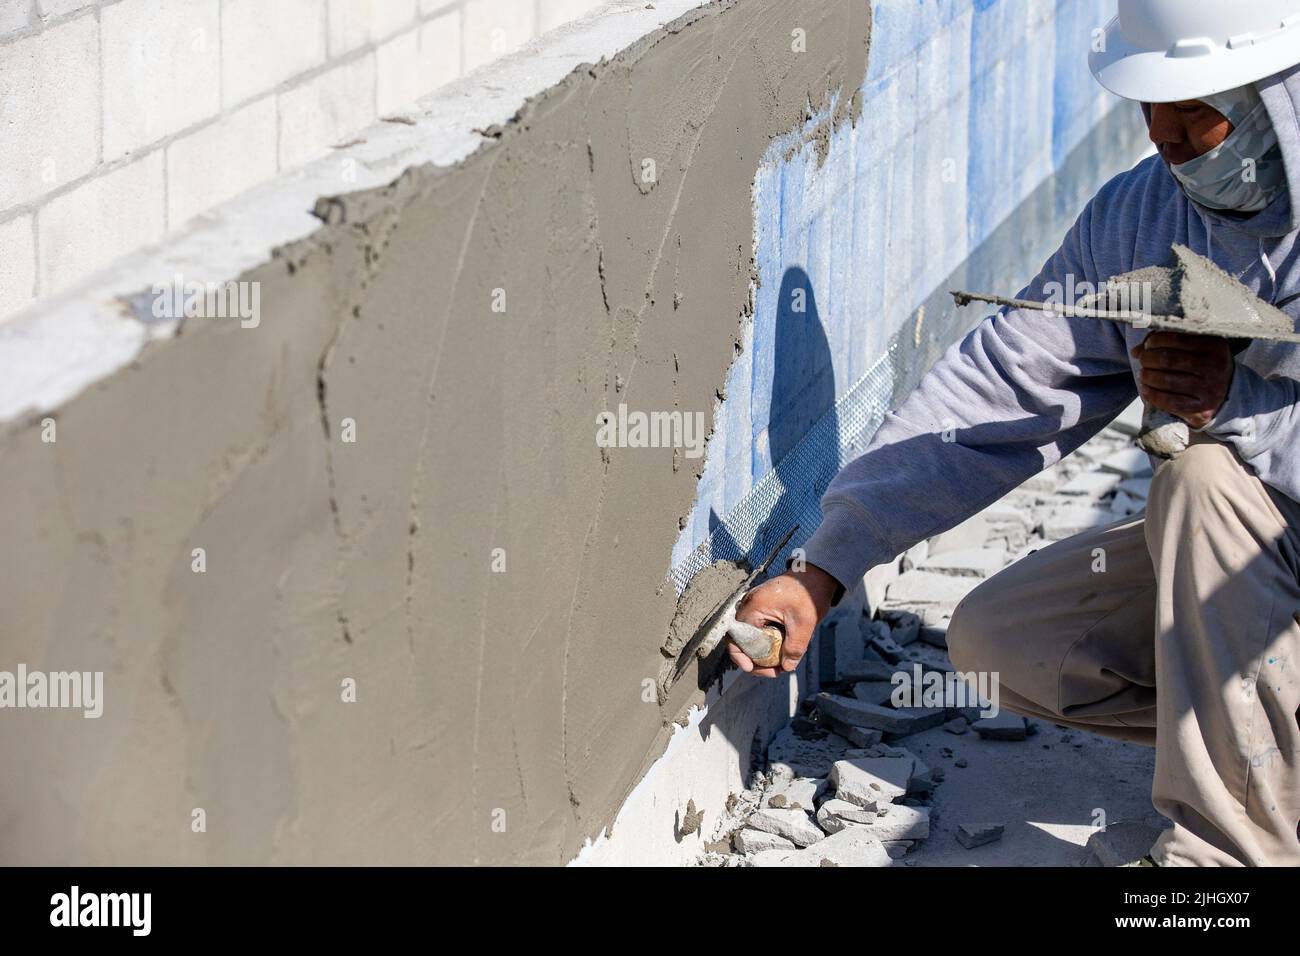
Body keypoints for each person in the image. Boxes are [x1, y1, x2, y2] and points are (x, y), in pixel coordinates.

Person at [729, 1, 1300, 866]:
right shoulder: (1144, 218)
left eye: (1197, 114)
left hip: (1264, 538)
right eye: (1152, 109)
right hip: (1269, 573)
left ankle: (1231, 857)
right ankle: (1264, 754)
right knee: (1009, 646)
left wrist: (1235, 403)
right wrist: (826, 567)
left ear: (1274, 99)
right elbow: (1004, 383)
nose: (1168, 140)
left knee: (1204, 481)